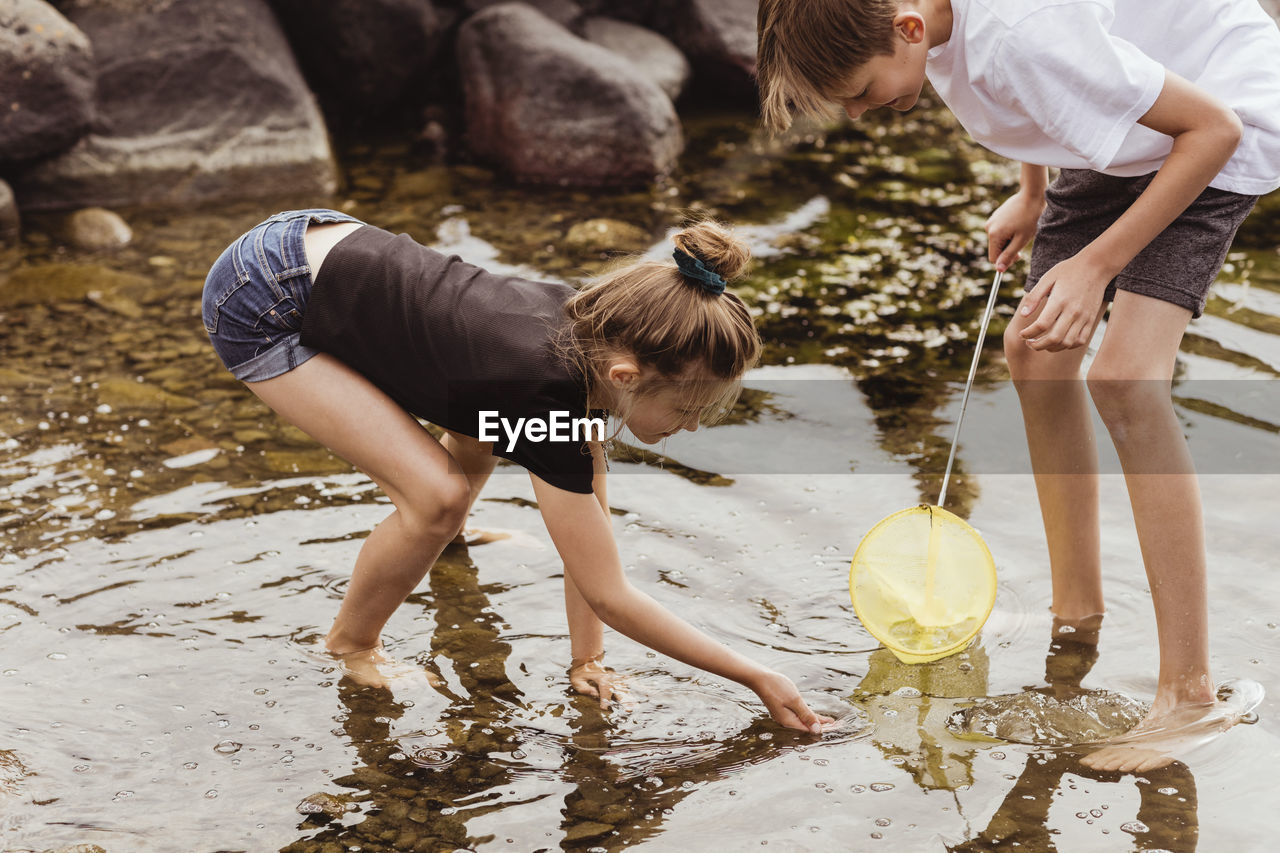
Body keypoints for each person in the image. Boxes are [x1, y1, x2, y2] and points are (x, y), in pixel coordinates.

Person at [755, 0, 1280, 769]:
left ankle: (1190, 693)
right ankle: (1077, 613)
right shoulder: (927, 29)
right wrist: (1034, 194)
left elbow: (1212, 130)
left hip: (1211, 120)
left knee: (1127, 378)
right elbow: (1035, 100)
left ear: (904, 30)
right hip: (1126, 132)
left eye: (862, 92)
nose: (863, 114)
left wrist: (1096, 264)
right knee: (1034, 351)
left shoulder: (1019, 34)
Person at [201, 208, 835, 734]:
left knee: (478, 427)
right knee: (437, 496)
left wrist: (586, 659)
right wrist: (755, 674)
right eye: (689, 408)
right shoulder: (544, 385)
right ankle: (351, 644)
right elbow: (610, 593)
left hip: (319, 239)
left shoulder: (595, 327)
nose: (692, 427)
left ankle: (439, 543)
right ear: (627, 378)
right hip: (265, 296)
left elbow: (590, 516)